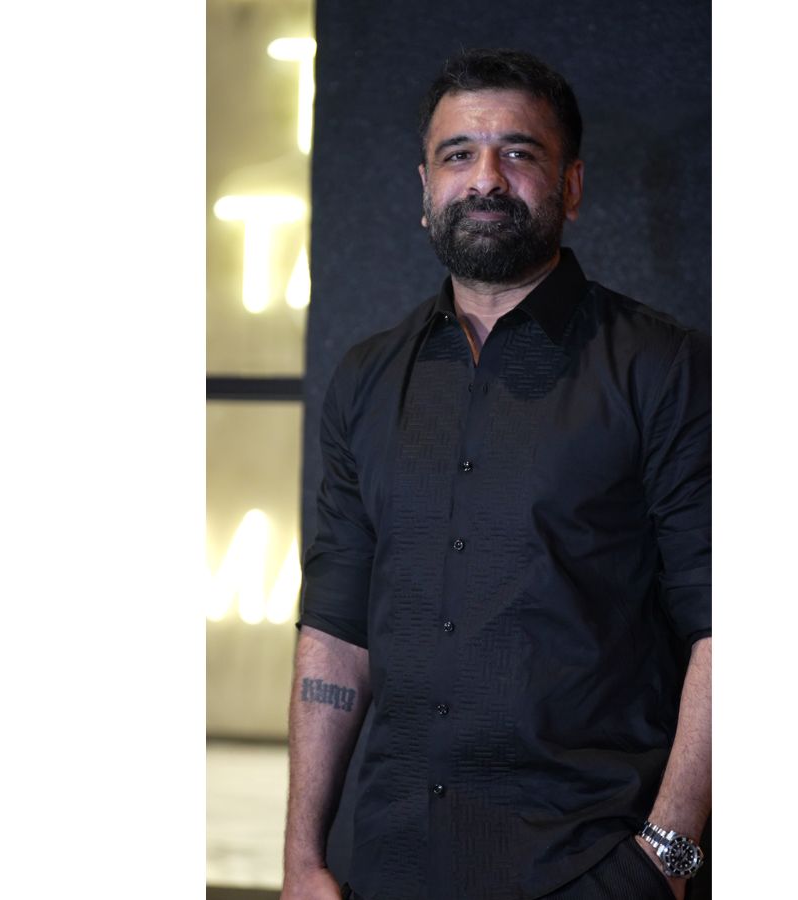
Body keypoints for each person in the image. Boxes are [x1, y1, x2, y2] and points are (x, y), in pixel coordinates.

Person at [283, 48, 710, 900]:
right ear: (425, 190)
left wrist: (665, 857)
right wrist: (301, 860)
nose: (485, 178)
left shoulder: (663, 368)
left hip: (585, 868)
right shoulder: (367, 379)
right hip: (390, 868)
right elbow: (334, 628)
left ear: (572, 186)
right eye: (458, 154)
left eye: (518, 152)